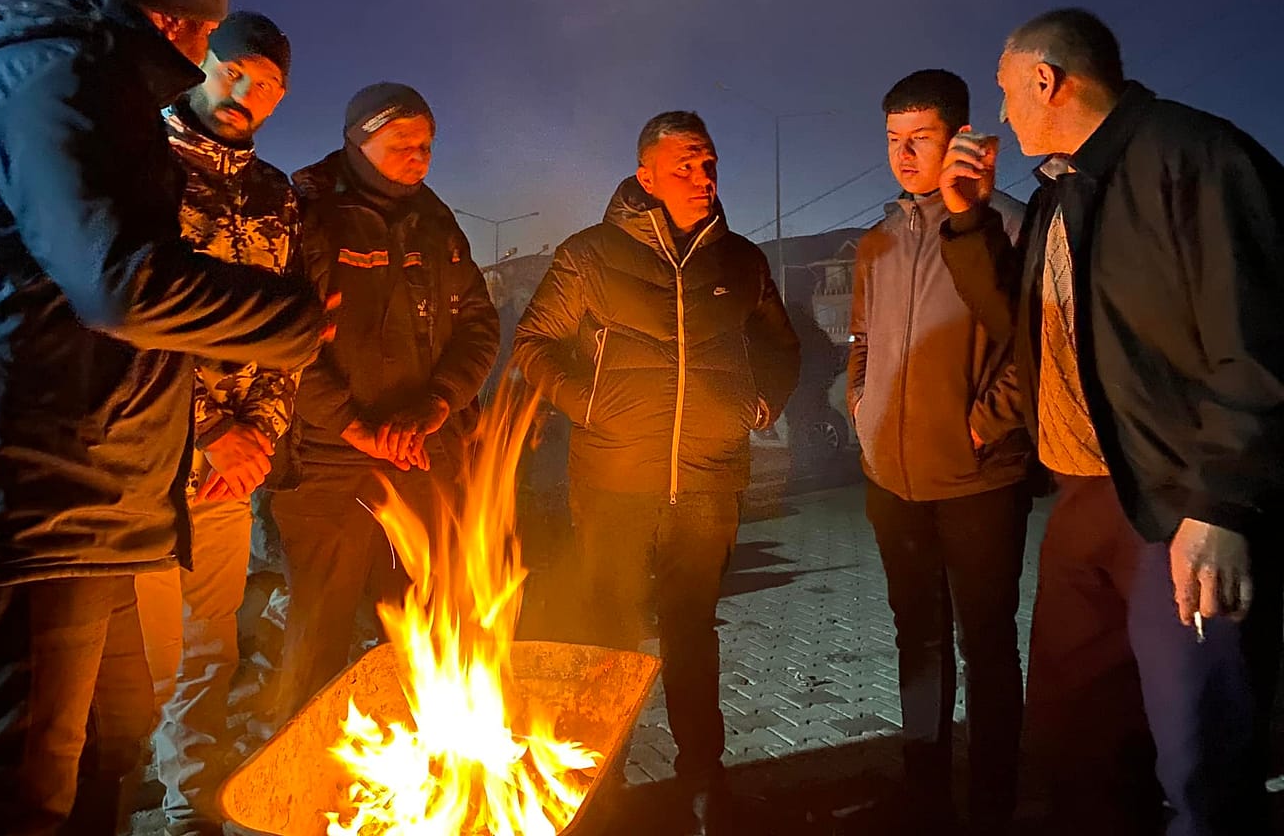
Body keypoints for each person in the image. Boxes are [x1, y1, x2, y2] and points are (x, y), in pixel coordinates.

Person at [0, 0, 326, 836]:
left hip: (97, 498)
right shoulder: (53, 79)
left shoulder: (96, 91)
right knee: (16, 790)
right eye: (210, 43)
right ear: (175, 18)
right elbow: (121, 285)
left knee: (111, 747)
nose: (215, 70)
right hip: (17, 503)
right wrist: (293, 324)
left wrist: (257, 421)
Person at [939, 8, 1284, 836]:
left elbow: (1261, 340)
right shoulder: (1063, 192)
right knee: (1079, 745)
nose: (1001, 115)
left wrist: (1222, 504)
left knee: (1198, 761)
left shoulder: (1195, 159)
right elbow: (1033, 335)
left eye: (1006, 92)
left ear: (1046, 80)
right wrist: (969, 220)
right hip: (1085, 503)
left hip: (1176, 509)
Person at [513, 111, 800, 833]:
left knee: (693, 637)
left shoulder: (739, 260)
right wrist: (586, 402)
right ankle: (599, 789)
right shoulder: (589, 255)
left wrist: (758, 402)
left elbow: (780, 344)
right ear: (646, 178)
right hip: (613, 481)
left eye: (709, 165)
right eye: (684, 167)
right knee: (609, 635)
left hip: (708, 481)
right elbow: (533, 341)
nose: (702, 179)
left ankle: (704, 785)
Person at [272, 82, 499, 720]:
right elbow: (279, 342)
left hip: (423, 456)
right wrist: (350, 426)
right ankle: (299, 788)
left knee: (428, 630)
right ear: (357, 140)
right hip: (325, 465)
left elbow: (480, 325)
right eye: (402, 143)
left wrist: (439, 405)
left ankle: (424, 776)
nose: (419, 156)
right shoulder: (304, 213)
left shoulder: (436, 221)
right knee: (318, 634)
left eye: (426, 144)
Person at [847, 69, 1031, 834]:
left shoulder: (1010, 226)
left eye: (919, 138)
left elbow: (1042, 346)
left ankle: (992, 804)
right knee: (915, 639)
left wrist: (987, 424)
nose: (904, 154)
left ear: (958, 137)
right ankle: (923, 793)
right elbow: (860, 340)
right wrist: (859, 406)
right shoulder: (877, 241)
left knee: (985, 644)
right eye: (893, 140)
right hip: (891, 481)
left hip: (980, 478)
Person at [134, 11, 300, 836]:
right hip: (137, 465)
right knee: (125, 662)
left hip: (229, 477)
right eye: (236, 71)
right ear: (200, 62)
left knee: (208, 654)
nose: (249, 94)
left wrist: (258, 436)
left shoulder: (276, 197)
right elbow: (125, 321)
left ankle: (188, 811)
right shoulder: (137, 165)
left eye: (269, 86)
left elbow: (289, 333)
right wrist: (207, 433)